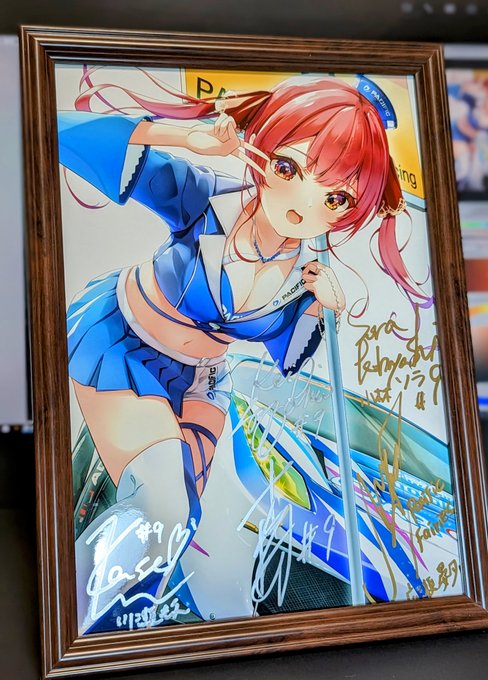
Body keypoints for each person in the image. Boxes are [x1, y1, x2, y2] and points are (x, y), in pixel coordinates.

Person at [59, 73, 427, 632]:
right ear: (262, 150)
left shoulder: (306, 275)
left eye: (335, 197)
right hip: (125, 345)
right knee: (162, 505)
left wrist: (317, 307)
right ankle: (78, 623)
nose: (303, 204)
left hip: (201, 383)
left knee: (181, 525)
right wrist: (180, 138)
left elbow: (285, 355)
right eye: (289, 168)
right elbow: (65, 135)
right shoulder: (205, 196)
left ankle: (108, 630)